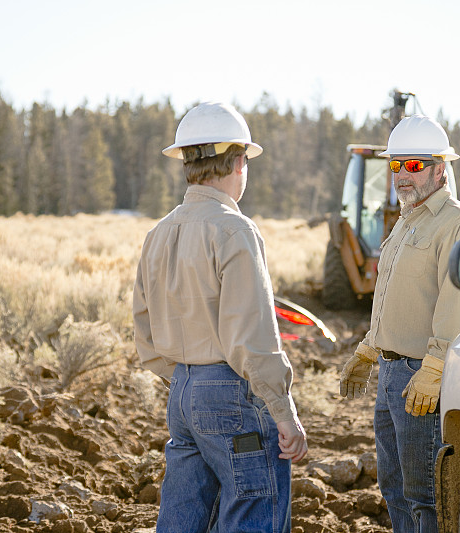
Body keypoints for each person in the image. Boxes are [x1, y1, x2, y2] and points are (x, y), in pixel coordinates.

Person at [133, 102, 308, 533]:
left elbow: (143, 325)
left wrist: (188, 383)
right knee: (254, 510)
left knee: (183, 519)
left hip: (182, 393)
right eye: (245, 159)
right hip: (229, 393)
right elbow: (252, 336)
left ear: (188, 162)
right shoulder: (234, 229)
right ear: (237, 161)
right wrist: (283, 411)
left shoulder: (159, 233)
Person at [339, 115, 460, 533]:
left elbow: (456, 305)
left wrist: (433, 370)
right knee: (395, 489)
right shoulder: (406, 219)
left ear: (440, 168)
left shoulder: (456, 222)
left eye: (414, 165)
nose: (402, 174)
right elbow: (392, 299)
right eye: (396, 165)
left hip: (421, 381)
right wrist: (368, 350)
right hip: (391, 374)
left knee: (426, 499)